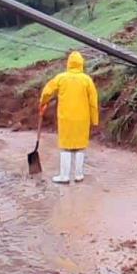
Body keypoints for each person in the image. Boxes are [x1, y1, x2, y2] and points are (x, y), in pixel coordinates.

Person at [40, 51, 99, 184]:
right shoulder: (87, 80)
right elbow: (93, 102)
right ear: (81, 64)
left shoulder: (61, 78)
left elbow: (47, 91)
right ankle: (78, 175)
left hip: (66, 118)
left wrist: (43, 103)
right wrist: (94, 119)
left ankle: (64, 176)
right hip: (82, 118)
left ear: (68, 63)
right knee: (80, 146)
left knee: (66, 146)